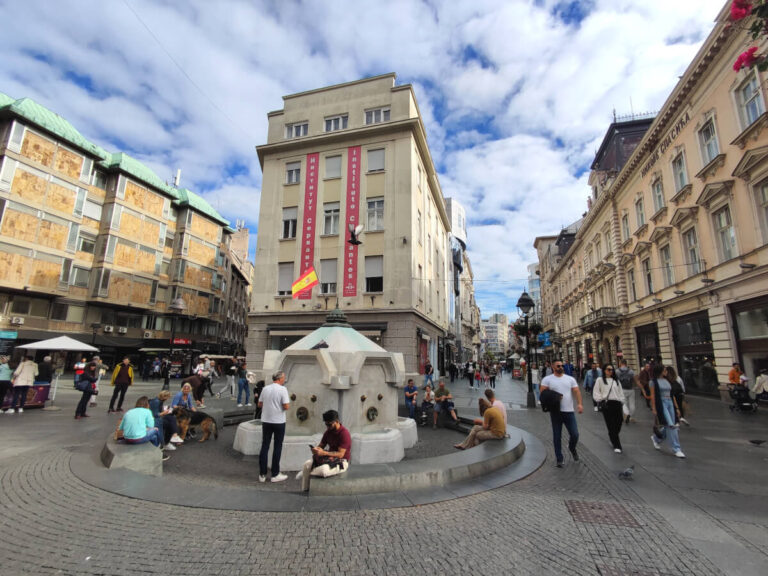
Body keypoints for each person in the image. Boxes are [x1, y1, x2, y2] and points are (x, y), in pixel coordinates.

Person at [541, 360, 583, 468]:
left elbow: (577, 391)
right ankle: (559, 459)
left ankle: (572, 448)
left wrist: (579, 404)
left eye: (562, 365)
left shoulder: (570, 379)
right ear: (553, 367)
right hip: (556, 412)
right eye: (558, 366)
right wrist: (554, 396)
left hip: (569, 411)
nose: (561, 367)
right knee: (557, 436)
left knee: (575, 434)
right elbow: (543, 394)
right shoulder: (547, 379)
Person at [297, 409, 351, 492]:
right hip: (328, 458)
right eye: (326, 424)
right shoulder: (328, 432)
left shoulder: (344, 433)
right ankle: (305, 490)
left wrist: (323, 452)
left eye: (329, 424)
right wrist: (316, 450)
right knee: (306, 465)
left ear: (336, 421)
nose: (327, 427)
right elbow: (321, 446)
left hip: (342, 462)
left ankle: (306, 473)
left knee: (323, 470)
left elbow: (341, 454)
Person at [258, 370, 291, 483]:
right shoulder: (283, 389)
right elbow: (286, 406)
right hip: (279, 421)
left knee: (265, 446)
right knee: (277, 446)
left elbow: (260, 404)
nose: (284, 379)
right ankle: (275, 474)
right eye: (284, 378)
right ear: (280, 378)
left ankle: (262, 474)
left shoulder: (265, 388)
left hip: (266, 420)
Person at [650, 365, 685, 458]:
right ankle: (676, 449)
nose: (666, 372)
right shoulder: (653, 382)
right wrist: (654, 408)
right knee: (671, 425)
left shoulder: (667, 380)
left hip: (670, 403)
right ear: (660, 371)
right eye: (664, 370)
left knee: (670, 424)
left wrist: (677, 408)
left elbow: (672, 395)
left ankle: (656, 438)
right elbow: (653, 396)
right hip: (661, 404)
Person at [592, 364, 625, 453]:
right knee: (611, 425)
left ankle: (612, 437)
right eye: (609, 369)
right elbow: (596, 391)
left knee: (619, 422)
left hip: (617, 403)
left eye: (612, 370)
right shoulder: (600, 380)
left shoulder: (616, 380)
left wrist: (622, 401)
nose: (611, 371)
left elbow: (620, 391)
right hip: (607, 404)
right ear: (604, 370)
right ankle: (617, 445)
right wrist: (600, 399)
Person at [616, 359, 638, 424]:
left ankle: (627, 413)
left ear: (620, 363)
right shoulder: (631, 371)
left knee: (624, 403)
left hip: (622, 389)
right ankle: (630, 416)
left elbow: (615, 380)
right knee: (632, 404)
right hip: (631, 389)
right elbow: (636, 380)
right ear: (626, 363)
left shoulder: (617, 371)